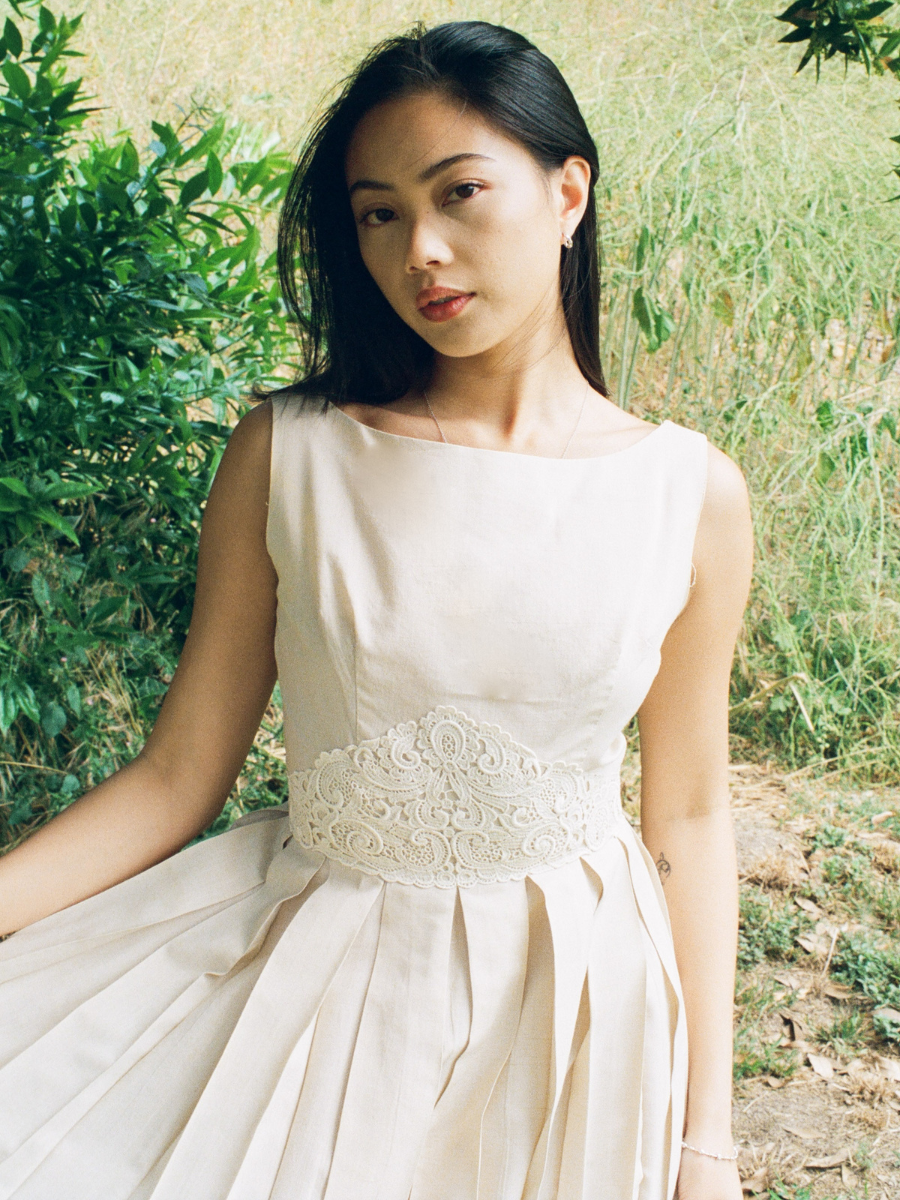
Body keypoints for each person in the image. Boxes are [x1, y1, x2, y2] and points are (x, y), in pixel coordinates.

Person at [0, 21, 752, 1200]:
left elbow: (691, 819)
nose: (421, 252)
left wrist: (707, 1136)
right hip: (324, 979)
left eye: (460, 193)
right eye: (378, 214)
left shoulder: (686, 492)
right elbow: (177, 775)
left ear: (568, 193)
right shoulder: (291, 455)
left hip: (578, 1009)